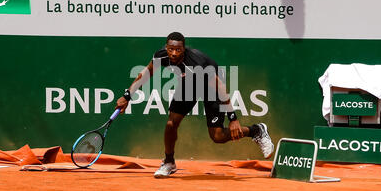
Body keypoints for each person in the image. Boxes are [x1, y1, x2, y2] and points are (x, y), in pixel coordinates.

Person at [115, 32, 274, 178]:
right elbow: (147, 73)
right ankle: (169, 162)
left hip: (212, 88)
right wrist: (127, 95)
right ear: (166, 48)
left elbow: (219, 87)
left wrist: (233, 118)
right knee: (171, 123)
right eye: (171, 49)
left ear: (184, 49)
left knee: (217, 136)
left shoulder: (197, 62)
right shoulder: (161, 56)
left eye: (178, 50)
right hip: (189, 85)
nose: (174, 53)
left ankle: (256, 130)